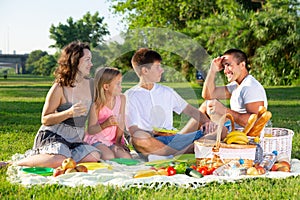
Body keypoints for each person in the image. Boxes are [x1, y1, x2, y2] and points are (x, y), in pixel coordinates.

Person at [125, 48, 224, 158]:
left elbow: (191, 111)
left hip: (174, 140)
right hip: (151, 142)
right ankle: (188, 150)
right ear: (145, 71)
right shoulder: (130, 96)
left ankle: (174, 154)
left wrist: (207, 122)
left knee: (222, 130)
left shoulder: (167, 91)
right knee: (138, 138)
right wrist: (152, 133)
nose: (162, 70)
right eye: (157, 67)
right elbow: (133, 129)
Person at [16, 41, 101, 168]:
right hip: (55, 135)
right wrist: (69, 113)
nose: (91, 64)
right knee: (59, 160)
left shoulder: (91, 85)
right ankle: (14, 163)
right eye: (87, 60)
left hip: (75, 139)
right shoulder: (59, 88)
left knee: (93, 156)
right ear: (75, 61)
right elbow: (45, 119)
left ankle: (58, 158)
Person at [183, 48, 268, 132]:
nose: (225, 71)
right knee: (207, 104)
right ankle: (180, 138)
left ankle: (181, 140)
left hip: (243, 137)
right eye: (224, 66)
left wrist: (224, 111)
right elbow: (208, 95)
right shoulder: (236, 85)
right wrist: (212, 70)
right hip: (234, 127)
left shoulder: (250, 87)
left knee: (201, 136)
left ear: (242, 65)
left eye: (228, 65)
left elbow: (256, 122)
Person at [84, 67, 132, 159]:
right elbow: (90, 129)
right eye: (118, 84)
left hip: (113, 140)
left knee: (126, 157)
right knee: (109, 156)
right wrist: (105, 124)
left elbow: (121, 122)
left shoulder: (121, 99)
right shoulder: (96, 105)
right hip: (98, 139)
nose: (121, 87)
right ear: (106, 87)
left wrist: (118, 142)